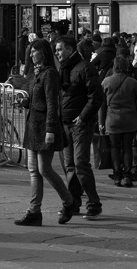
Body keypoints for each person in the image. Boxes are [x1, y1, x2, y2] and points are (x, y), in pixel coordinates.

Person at [14, 38, 76, 228]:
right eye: (31, 52)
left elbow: (52, 104)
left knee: (45, 169)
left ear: (43, 53)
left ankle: (69, 202)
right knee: (34, 170)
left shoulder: (49, 74)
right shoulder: (36, 73)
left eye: (34, 51)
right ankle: (35, 211)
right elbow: (36, 99)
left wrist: (50, 129)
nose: (31, 55)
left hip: (44, 128)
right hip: (33, 126)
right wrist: (25, 102)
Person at [55, 34, 103, 219]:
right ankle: (73, 203)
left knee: (80, 163)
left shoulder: (85, 67)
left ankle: (94, 203)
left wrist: (83, 117)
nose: (57, 53)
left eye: (59, 49)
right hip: (66, 124)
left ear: (69, 49)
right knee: (70, 166)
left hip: (80, 124)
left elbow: (96, 96)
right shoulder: (63, 69)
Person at [101, 54, 137, 188]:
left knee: (114, 148)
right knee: (128, 148)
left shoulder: (106, 81)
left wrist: (101, 122)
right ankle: (127, 175)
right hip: (130, 119)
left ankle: (117, 175)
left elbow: (101, 105)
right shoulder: (132, 82)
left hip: (112, 119)